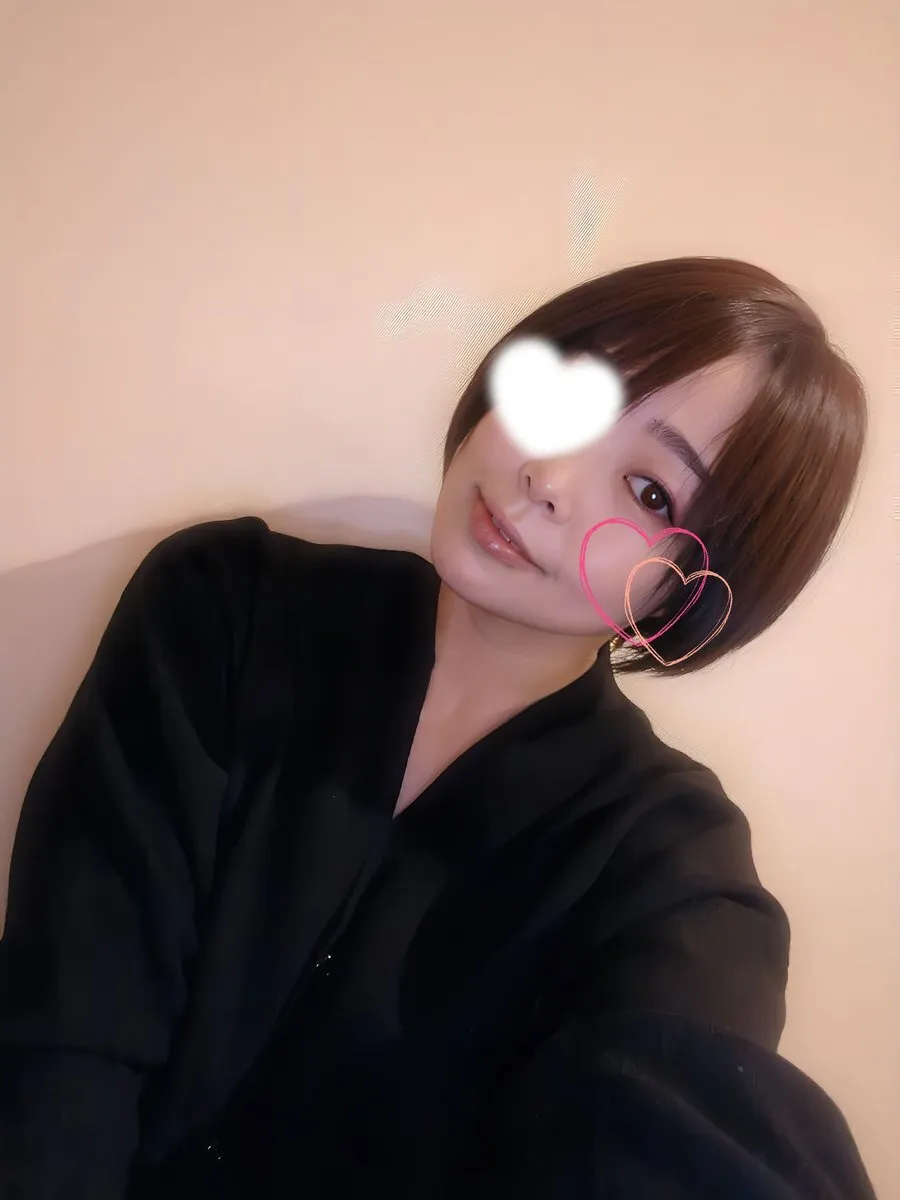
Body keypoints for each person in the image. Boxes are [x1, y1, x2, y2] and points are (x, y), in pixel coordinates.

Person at [0, 256, 878, 1199]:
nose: (548, 473)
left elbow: (677, 1118)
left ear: (690, 595)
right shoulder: (223, 610)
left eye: (650, 491)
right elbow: (67, 1028)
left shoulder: (670, 867)